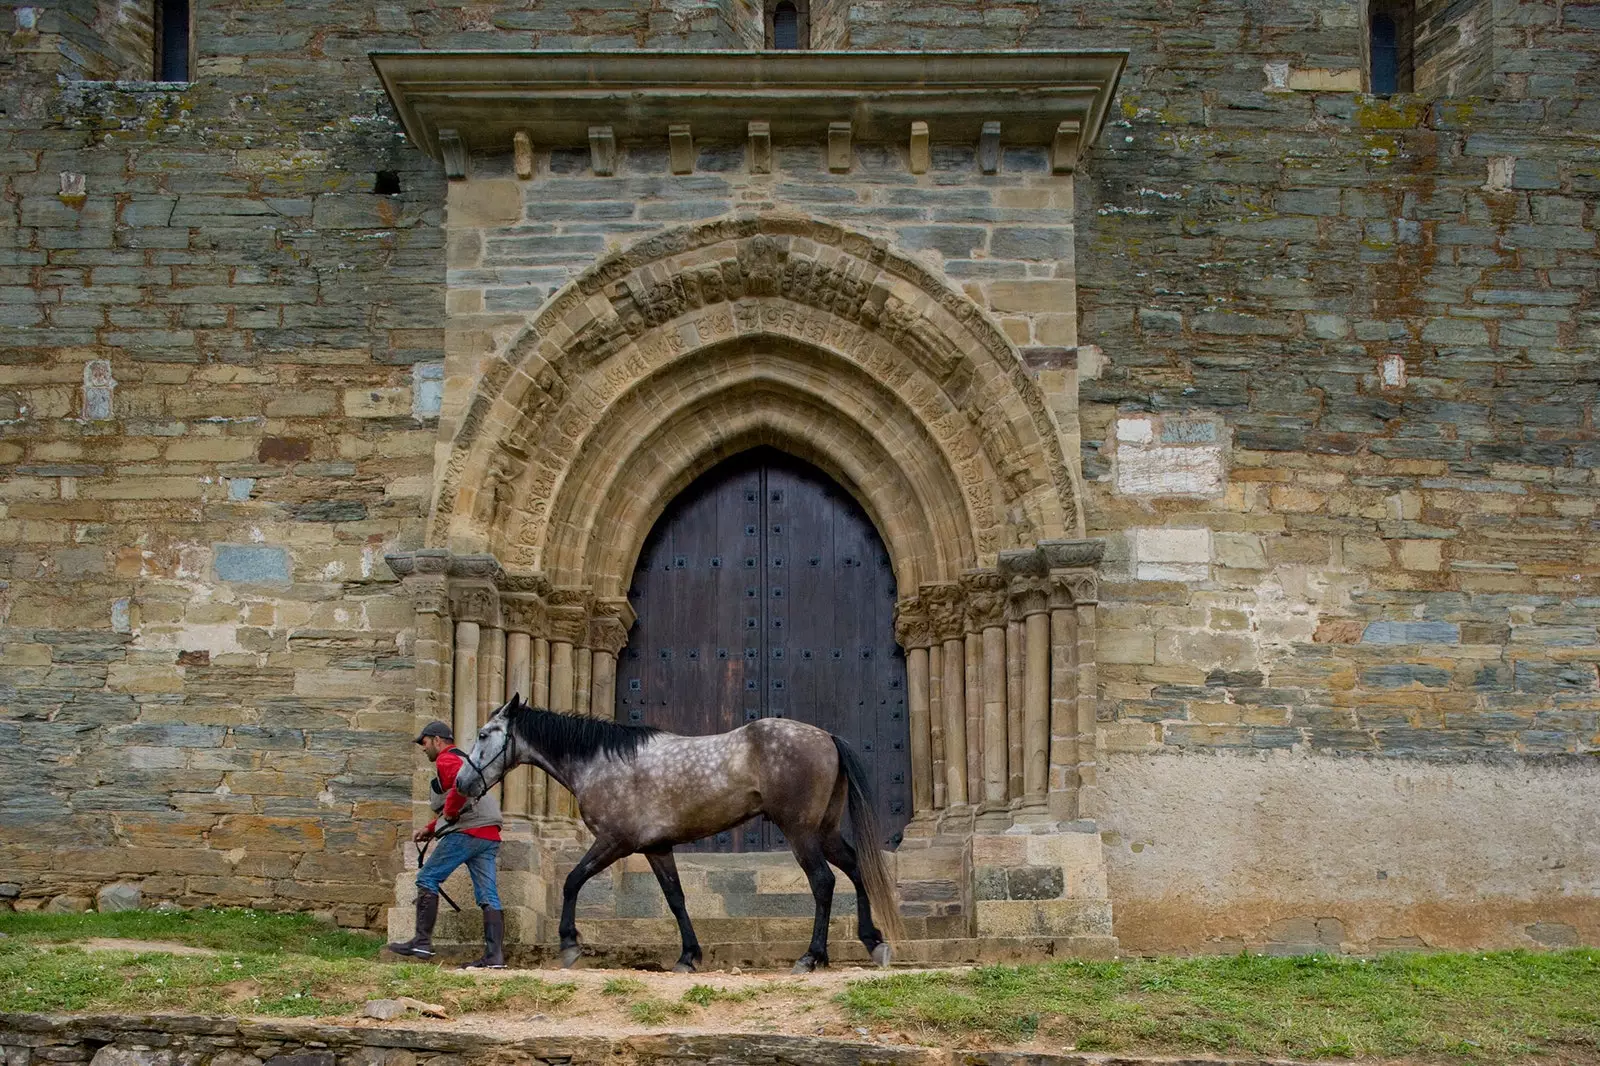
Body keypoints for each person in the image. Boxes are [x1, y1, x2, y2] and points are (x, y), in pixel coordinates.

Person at [385, 720, 506, 968]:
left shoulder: (447, 759)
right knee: (488, 895)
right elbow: (459, 797)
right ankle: (495, 957)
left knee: (427, 878)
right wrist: (429, 830)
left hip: (467, 832)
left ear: (437, 741)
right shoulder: (466, 759)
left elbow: (459, 789)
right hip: (488, 834)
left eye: (425, 742)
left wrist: (449, 813)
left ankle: (421, 942)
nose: (423, 747)